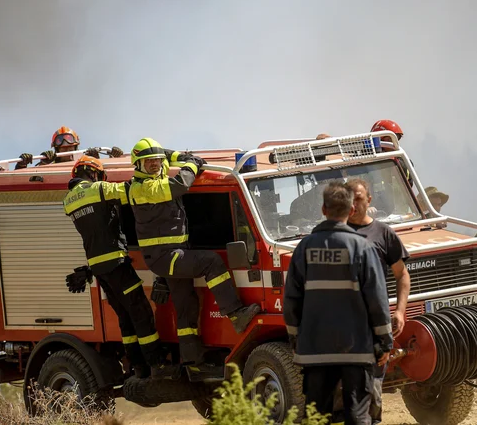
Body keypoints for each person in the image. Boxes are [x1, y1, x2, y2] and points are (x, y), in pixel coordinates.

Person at [128, 138, 260, 381]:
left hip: (172, 254)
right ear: (138, 165)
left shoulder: (155, 174)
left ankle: (193, 363)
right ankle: (235, 314)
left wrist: (185, 157)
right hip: (165, 257)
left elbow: (168, 156)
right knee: (212, 262)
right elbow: (180, 185)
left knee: (186, 304)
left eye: (157, 160)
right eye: (150, 162)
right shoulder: (142, 188)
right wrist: (191, 166)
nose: (156, 164)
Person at [284, 181, 393, 424]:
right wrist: (384, 342)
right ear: (351, 210)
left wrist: (295, 338)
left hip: (314, 350)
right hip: (356, 350)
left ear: (323, 209)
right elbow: (377, 299)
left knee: (317, 416)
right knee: (357, 415)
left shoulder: (304, 248)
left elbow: (291, 298)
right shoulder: (363, 248)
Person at [62, 156, 178, 380]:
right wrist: (151, 174)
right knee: (140, 311)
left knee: (125, 316)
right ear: (94, 174)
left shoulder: (68, 201)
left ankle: (138, 367)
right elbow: (132, 191)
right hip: (116, 263)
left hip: (98, 269)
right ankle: (157, 365)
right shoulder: (99, 189)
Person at [345, 178, 410, 425]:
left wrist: (400, 311)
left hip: (374, 328)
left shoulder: (384, 234)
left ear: (369, 200)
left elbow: (402, 275)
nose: (354, 204)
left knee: (371, 393)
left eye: (359, 198)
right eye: (349, 198)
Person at [16, 126, 123, 169]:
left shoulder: (85, 164)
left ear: (76, 147)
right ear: (56, 150)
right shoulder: (47, 168)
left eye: (69, 148)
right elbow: (23, 180)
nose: (66, 150)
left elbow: (108, 175)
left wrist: (115, 157)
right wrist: (22, 164)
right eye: (63, 149)